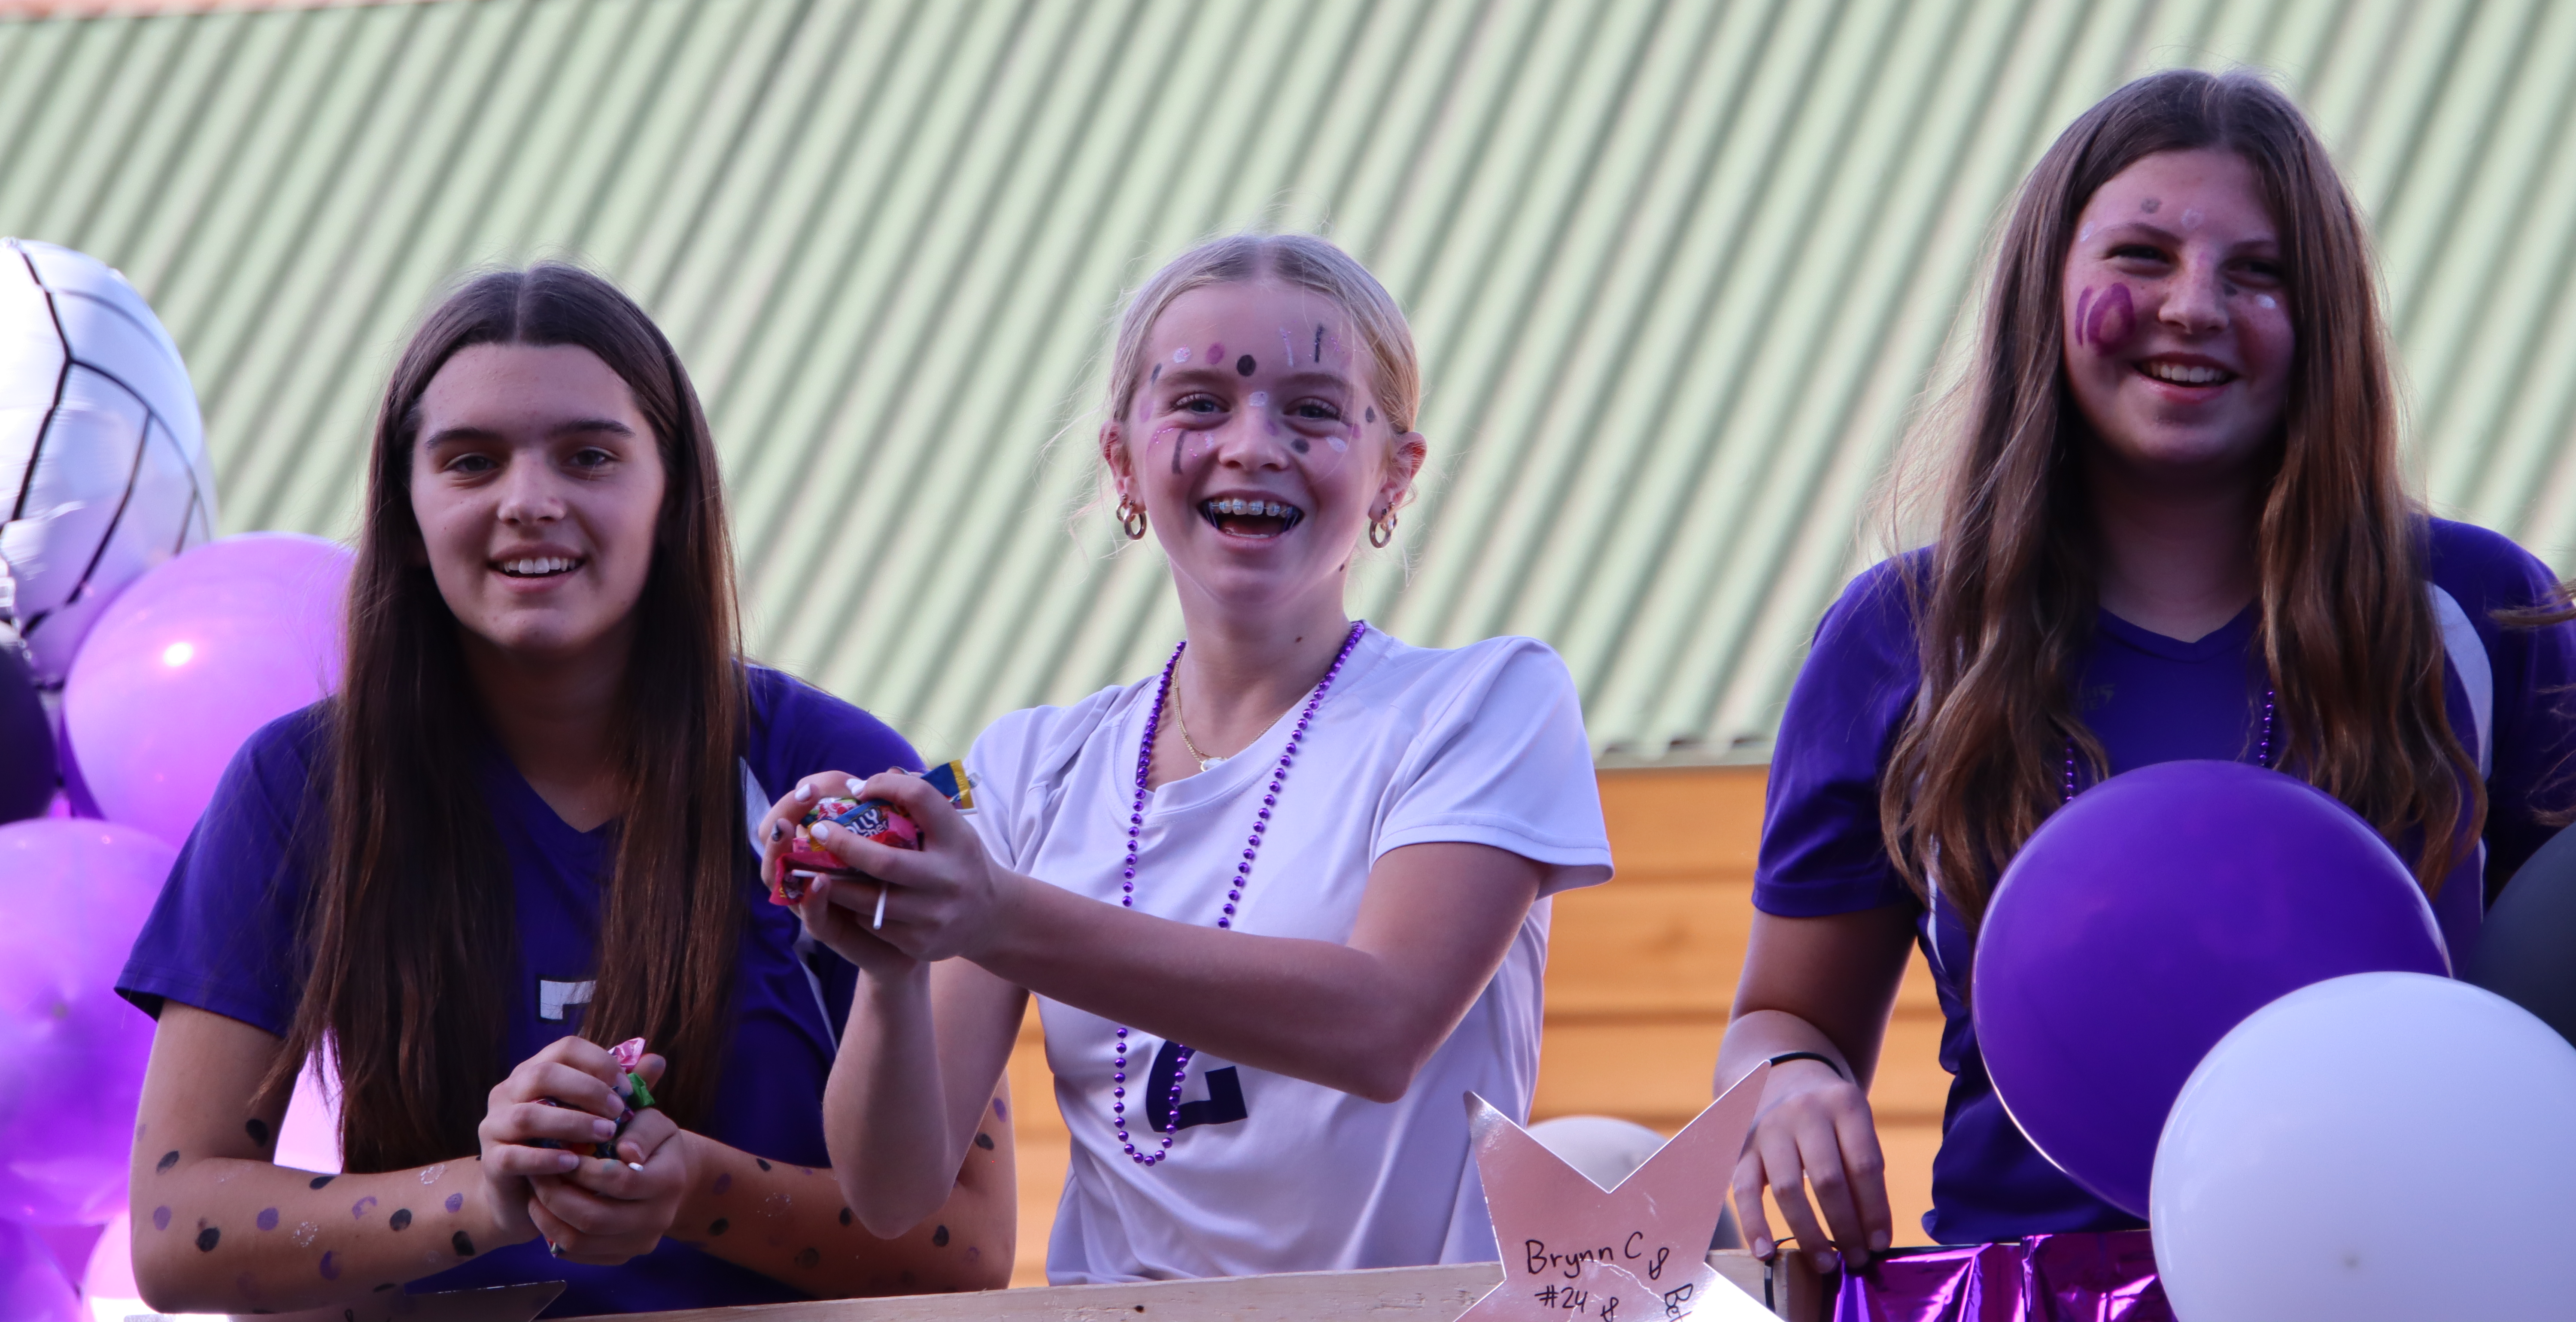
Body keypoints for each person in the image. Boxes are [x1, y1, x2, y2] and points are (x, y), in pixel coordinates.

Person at [1719, 71, 2576, 1267]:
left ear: (2321, 321)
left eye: (2260, 274)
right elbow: (1787, 1017)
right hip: (2029, 1291)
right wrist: (1787, 1087)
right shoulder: (1901, 636)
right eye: (2141, 257)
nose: (2196, 307)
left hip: (2406, 1280)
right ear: (2046, 290)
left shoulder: (2484, 612)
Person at [117, 264, 1013, 1316]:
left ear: (672, 493)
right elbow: (178, 1229)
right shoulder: (301, 784)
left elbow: (963, 1236)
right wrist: (488, 1196)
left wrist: (690, 1188)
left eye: (589, 455)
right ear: (405, 510)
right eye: (471, 461)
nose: (530, 501)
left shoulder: (829, 768)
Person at [760, 233, 1613, 1282]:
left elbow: (1382, 1023)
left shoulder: (1486, 703)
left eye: (1311, 408)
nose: (1252, 443)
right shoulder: (1032, 766)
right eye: (1201, 402)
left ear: (1396, 471)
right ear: (1122, 458)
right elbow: (894, 1192)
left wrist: (994, 913)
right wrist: (888, 971)